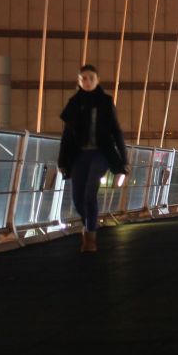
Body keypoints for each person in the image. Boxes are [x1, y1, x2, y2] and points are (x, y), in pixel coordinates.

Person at [58, 64, 127, 253]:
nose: (87, 81)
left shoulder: (105, 101)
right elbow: (66, 135)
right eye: (84, 78)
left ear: (97, 80)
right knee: (77, 198)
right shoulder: (74, 103)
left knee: (89, 193)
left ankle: (90, 238)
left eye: (91, 78)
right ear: (79, 81)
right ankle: (89, 226)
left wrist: (123, 160)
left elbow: (116, 131)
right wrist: (62, 161)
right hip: (79, 154)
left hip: (100, 153)